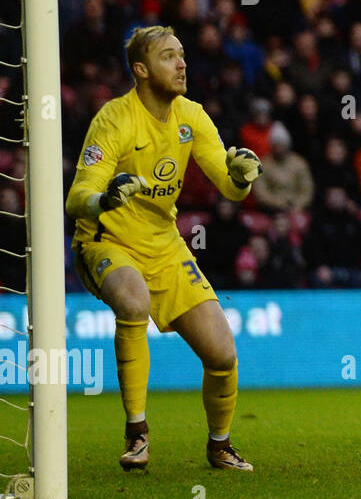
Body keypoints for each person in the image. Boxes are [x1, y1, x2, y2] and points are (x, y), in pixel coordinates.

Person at [66, 26, 263, 471]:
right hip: (106, 239)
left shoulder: (191, 115)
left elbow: (228, 189)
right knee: (133, 302)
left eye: (182, 55)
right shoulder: (115, 118)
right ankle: (137, 433)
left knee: (222, 353)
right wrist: (106, 199)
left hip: (165, 247)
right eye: (169, 56)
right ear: (140, 69)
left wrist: (242, 177)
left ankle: (220, 445)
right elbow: (76, 197)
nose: (181, 64)